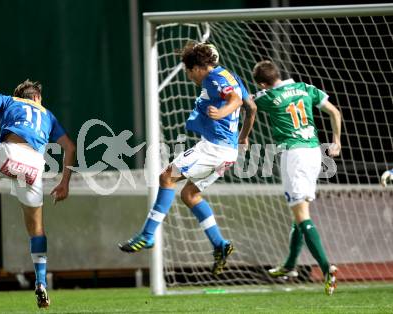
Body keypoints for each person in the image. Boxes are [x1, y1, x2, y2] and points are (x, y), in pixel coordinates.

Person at [119, 42, 256, 276]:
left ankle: (148, 235)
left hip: (213, 148)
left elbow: (236, 100)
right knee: (189, 194)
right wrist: (243, 137)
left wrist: (222, 112)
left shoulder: (212, 78)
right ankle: (219, 244)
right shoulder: (230, 75)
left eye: (188, 71)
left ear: (196, 68)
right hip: (228, 151)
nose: (189, 76)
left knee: (166, 177)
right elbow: (251, 107)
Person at [0, 80, 75, 307]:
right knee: (36, 229)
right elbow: (70, 146)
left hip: (9, 155)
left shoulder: (10, 100)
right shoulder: (48, 115)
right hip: (34, 167)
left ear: (21, 95)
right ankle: (41, 282)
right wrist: (64, 183)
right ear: (38, 97)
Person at [243, 60, 341, 295]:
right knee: (299, 212)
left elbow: (246, 104)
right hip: (314, 153)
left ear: (263, 83)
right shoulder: (306, 88)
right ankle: (289, 264)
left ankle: (327, 269)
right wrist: (336, 141)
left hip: (294, 155)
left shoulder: (268, 96)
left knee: (301, 215)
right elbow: (334, 111)